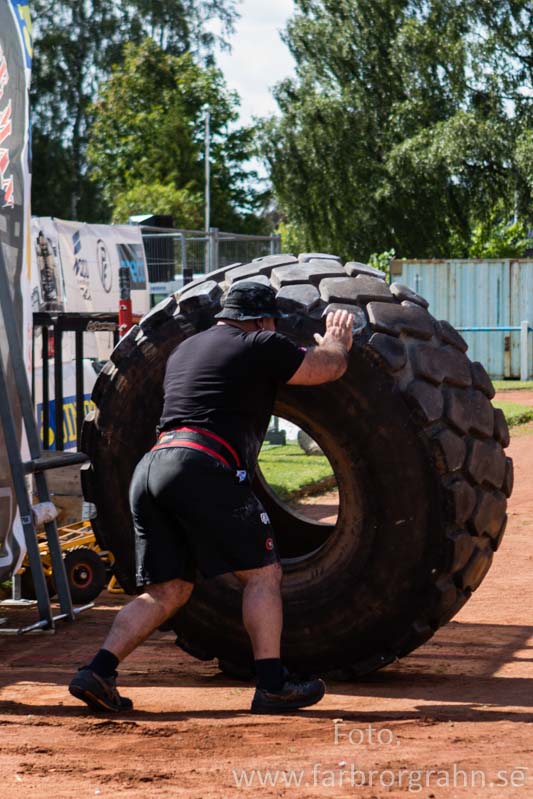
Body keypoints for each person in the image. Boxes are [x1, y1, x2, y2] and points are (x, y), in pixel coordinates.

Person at [69, 280, 354, 715]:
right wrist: (337, 343)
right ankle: (273, 684)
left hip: (152, 468)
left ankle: (98, 670)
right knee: (262, 575)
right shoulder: (260, 342)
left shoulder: (185, 349)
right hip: (202, 466)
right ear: (261, 319)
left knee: (168, 590)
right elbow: (324, 368)